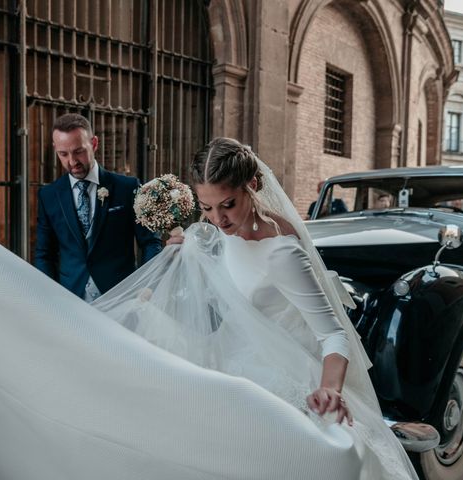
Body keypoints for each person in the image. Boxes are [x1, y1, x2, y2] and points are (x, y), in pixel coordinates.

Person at [94, 138, 418, 479]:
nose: (217, 218)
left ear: (253, 185)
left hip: (285, 378)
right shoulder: (226, 231)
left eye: (228, 204)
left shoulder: (281, 253)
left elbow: (334, 333)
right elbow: (220, 274)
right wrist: (187, 250)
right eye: (206, 208)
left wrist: (330, 390)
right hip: (238, 359)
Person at [34, 113, 162, 301]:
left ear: (94, 144)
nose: (72, 161)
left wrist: (147, 286)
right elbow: (44, 254)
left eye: (79, 151)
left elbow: (150, 242)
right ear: (56, 149)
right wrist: (51, 296)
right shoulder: (49, 195)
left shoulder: (127, 187)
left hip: (122, 297)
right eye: (63, 154)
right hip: (71, 298)